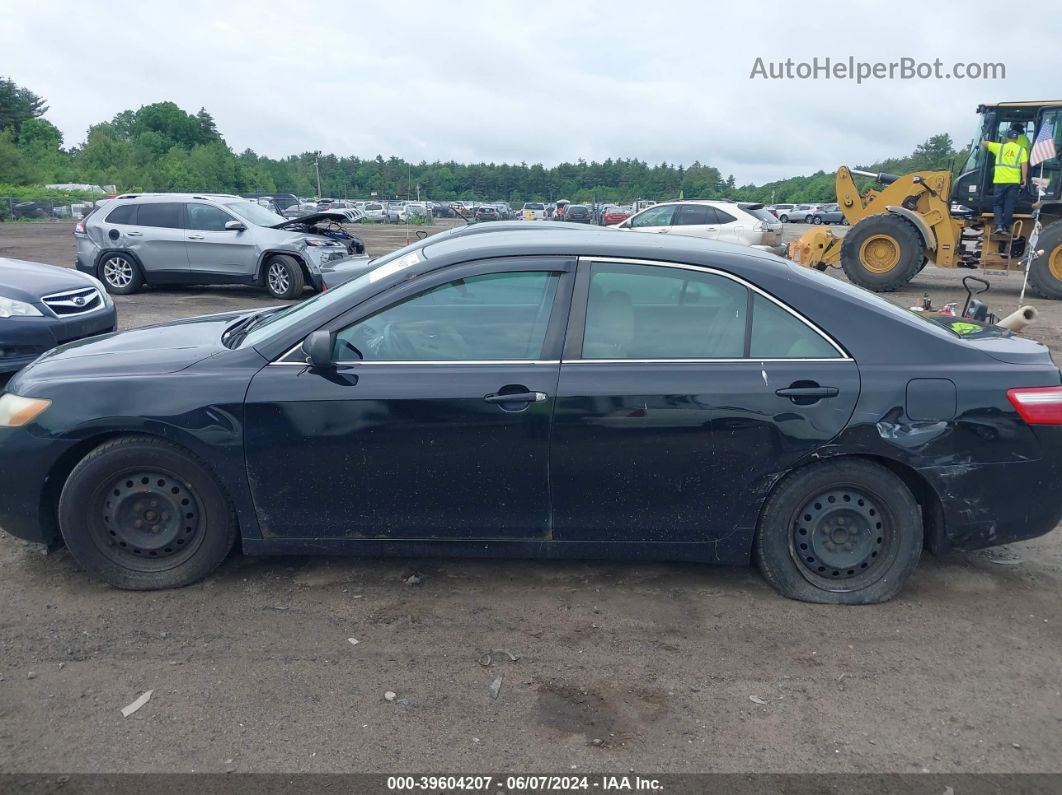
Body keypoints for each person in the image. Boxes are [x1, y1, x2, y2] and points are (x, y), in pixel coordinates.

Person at [980, 128, 1029, 235]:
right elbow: (1024, 165)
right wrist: (1024, 179)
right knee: (1009, 205)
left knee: (997, 204)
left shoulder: (1000, 147)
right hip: (1014, 182)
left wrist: (986, 137)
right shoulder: (1021, 150)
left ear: (1007, 138)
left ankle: (999, 226)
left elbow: (984, 143)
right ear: (1016, 139)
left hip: (1000, 180)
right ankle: (1006, 228)